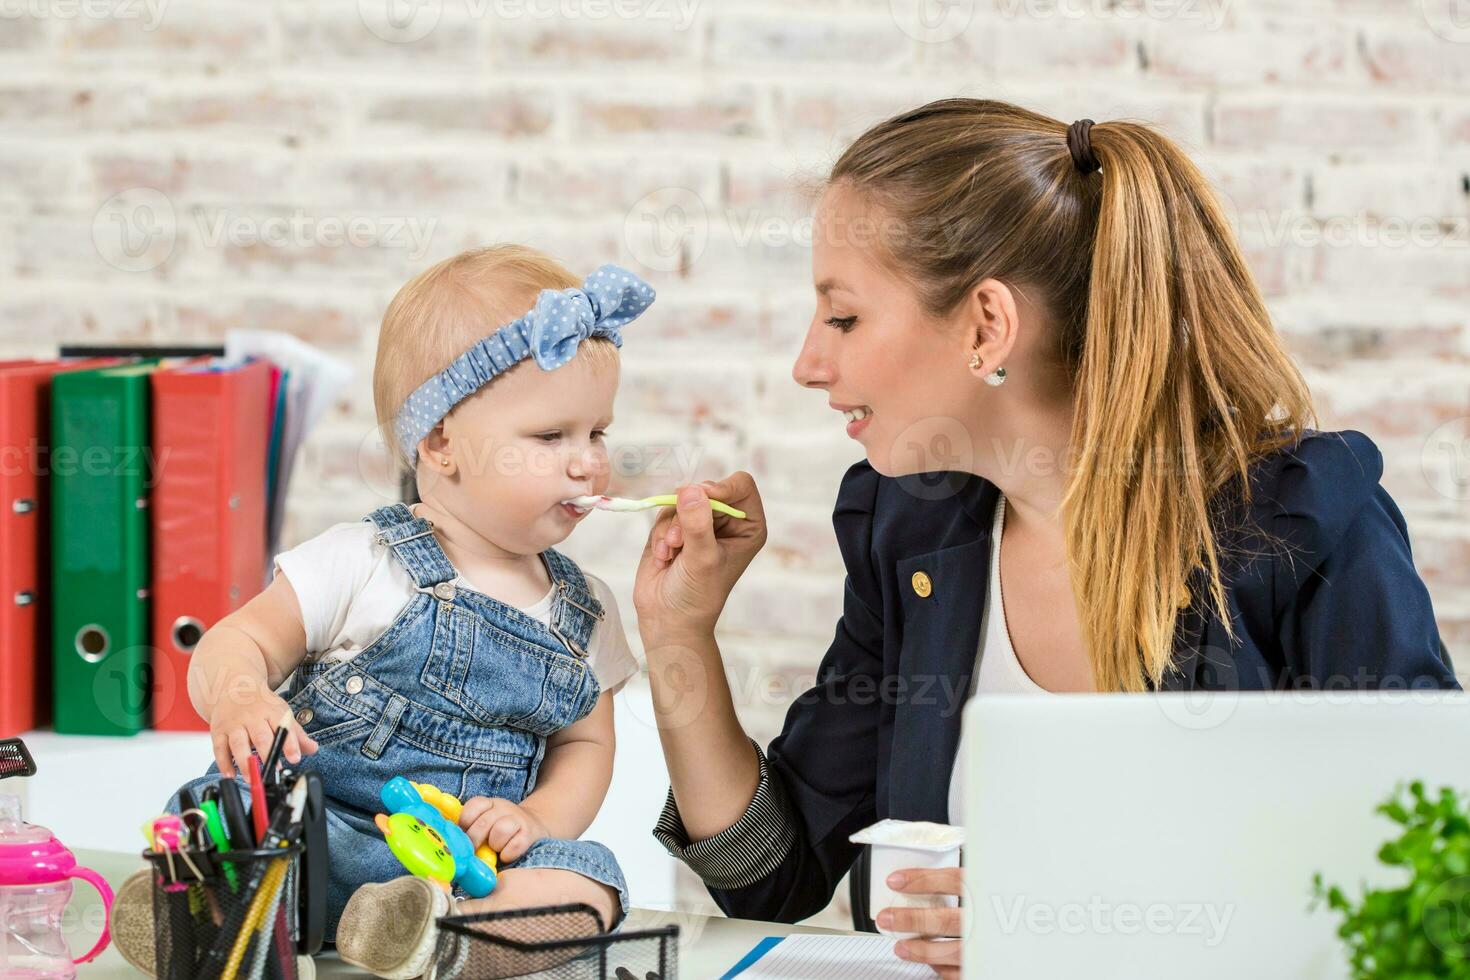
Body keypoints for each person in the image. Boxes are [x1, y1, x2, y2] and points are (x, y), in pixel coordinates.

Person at [631, 99, 1459, 979]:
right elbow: (770, 874)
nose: (809, 363)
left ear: (986, 326)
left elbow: (1431, 885)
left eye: (843, 318)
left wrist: (1067, 925)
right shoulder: (910, 529)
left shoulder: (1301, 520)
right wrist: (679, 633)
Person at [135, 246, 650, 979]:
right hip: (321, 843)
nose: (588, 463)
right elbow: (236, 640)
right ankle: (200, 913)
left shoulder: (587, 609)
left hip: (467, 874)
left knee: (590, 882)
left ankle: (430, 937)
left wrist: (538, 822)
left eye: (596, 433)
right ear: (440, 443)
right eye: (551, 437)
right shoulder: (364, 559)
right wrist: (242, 692)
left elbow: (585, 749)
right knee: (217, 822)